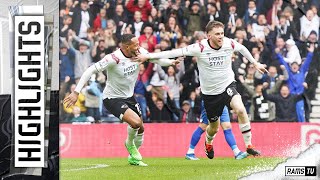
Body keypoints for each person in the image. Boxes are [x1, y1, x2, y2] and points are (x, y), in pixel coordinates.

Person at [135, 21, 268, 159]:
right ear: (208, 35)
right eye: (217, 34)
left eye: (222, 33)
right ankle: (208, 141)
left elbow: (243, 49)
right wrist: (149, 56)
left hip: (227, 85)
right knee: (213, 128)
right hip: (210, 94)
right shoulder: (199, 48)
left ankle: (249, 145)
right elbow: (174, 52)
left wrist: (255, 63)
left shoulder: (229, 43)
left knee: (240, 109)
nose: (221, 37)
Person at [64, 34, 180, 166]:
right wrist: (76, 92)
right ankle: (129, 144)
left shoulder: (139, 52)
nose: (138, 47)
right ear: (126, 46)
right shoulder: (113, 58)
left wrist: (170, 62)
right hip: (112, 98)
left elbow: (153, 59)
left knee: (141, 128)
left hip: (129, 97)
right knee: (136, 123)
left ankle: (133, 158)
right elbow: (90, 70)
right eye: (135, 45)